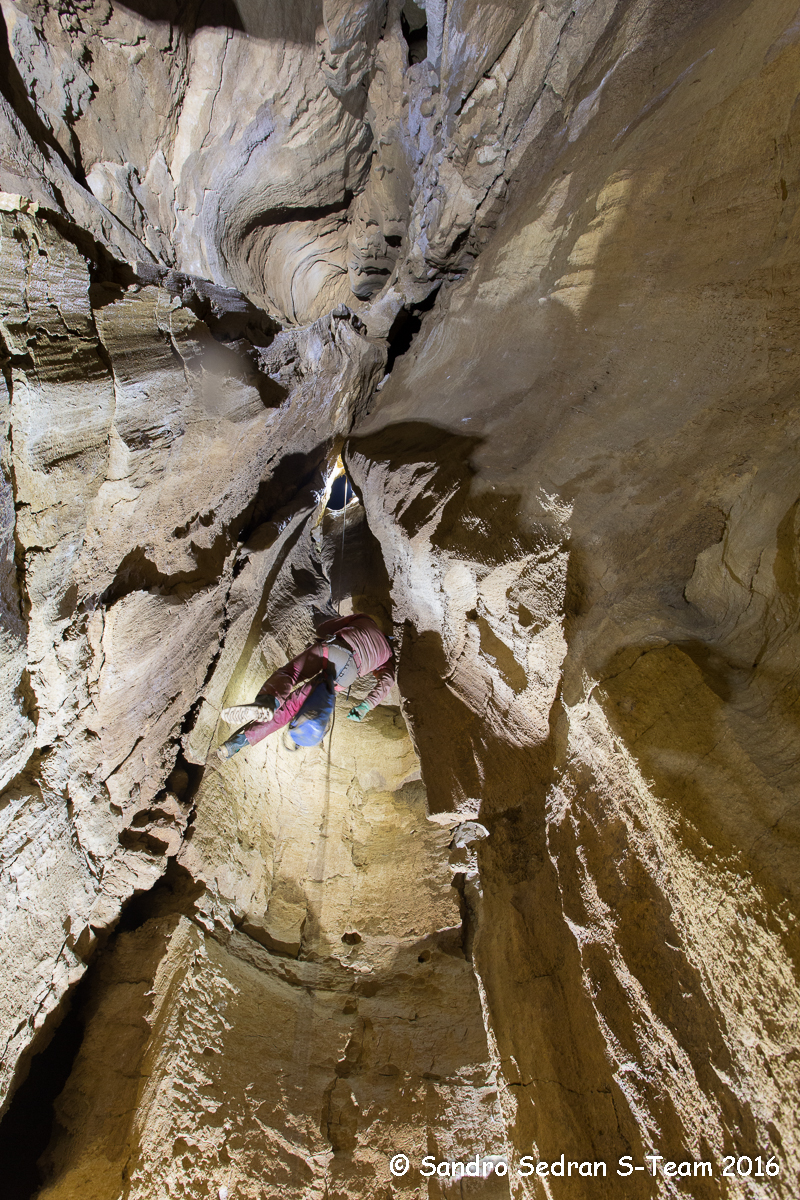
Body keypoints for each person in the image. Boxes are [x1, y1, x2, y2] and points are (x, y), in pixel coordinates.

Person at [216, 612, 395, 759]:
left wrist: (325, 634)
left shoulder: (366, 619)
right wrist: (365, 706)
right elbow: (387, 682)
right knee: (291, 709)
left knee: (291, 674)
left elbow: (323, 628)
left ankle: (268, 701)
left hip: (335, 649)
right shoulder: (387, 656)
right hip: (346, 675)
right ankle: (234, 746)